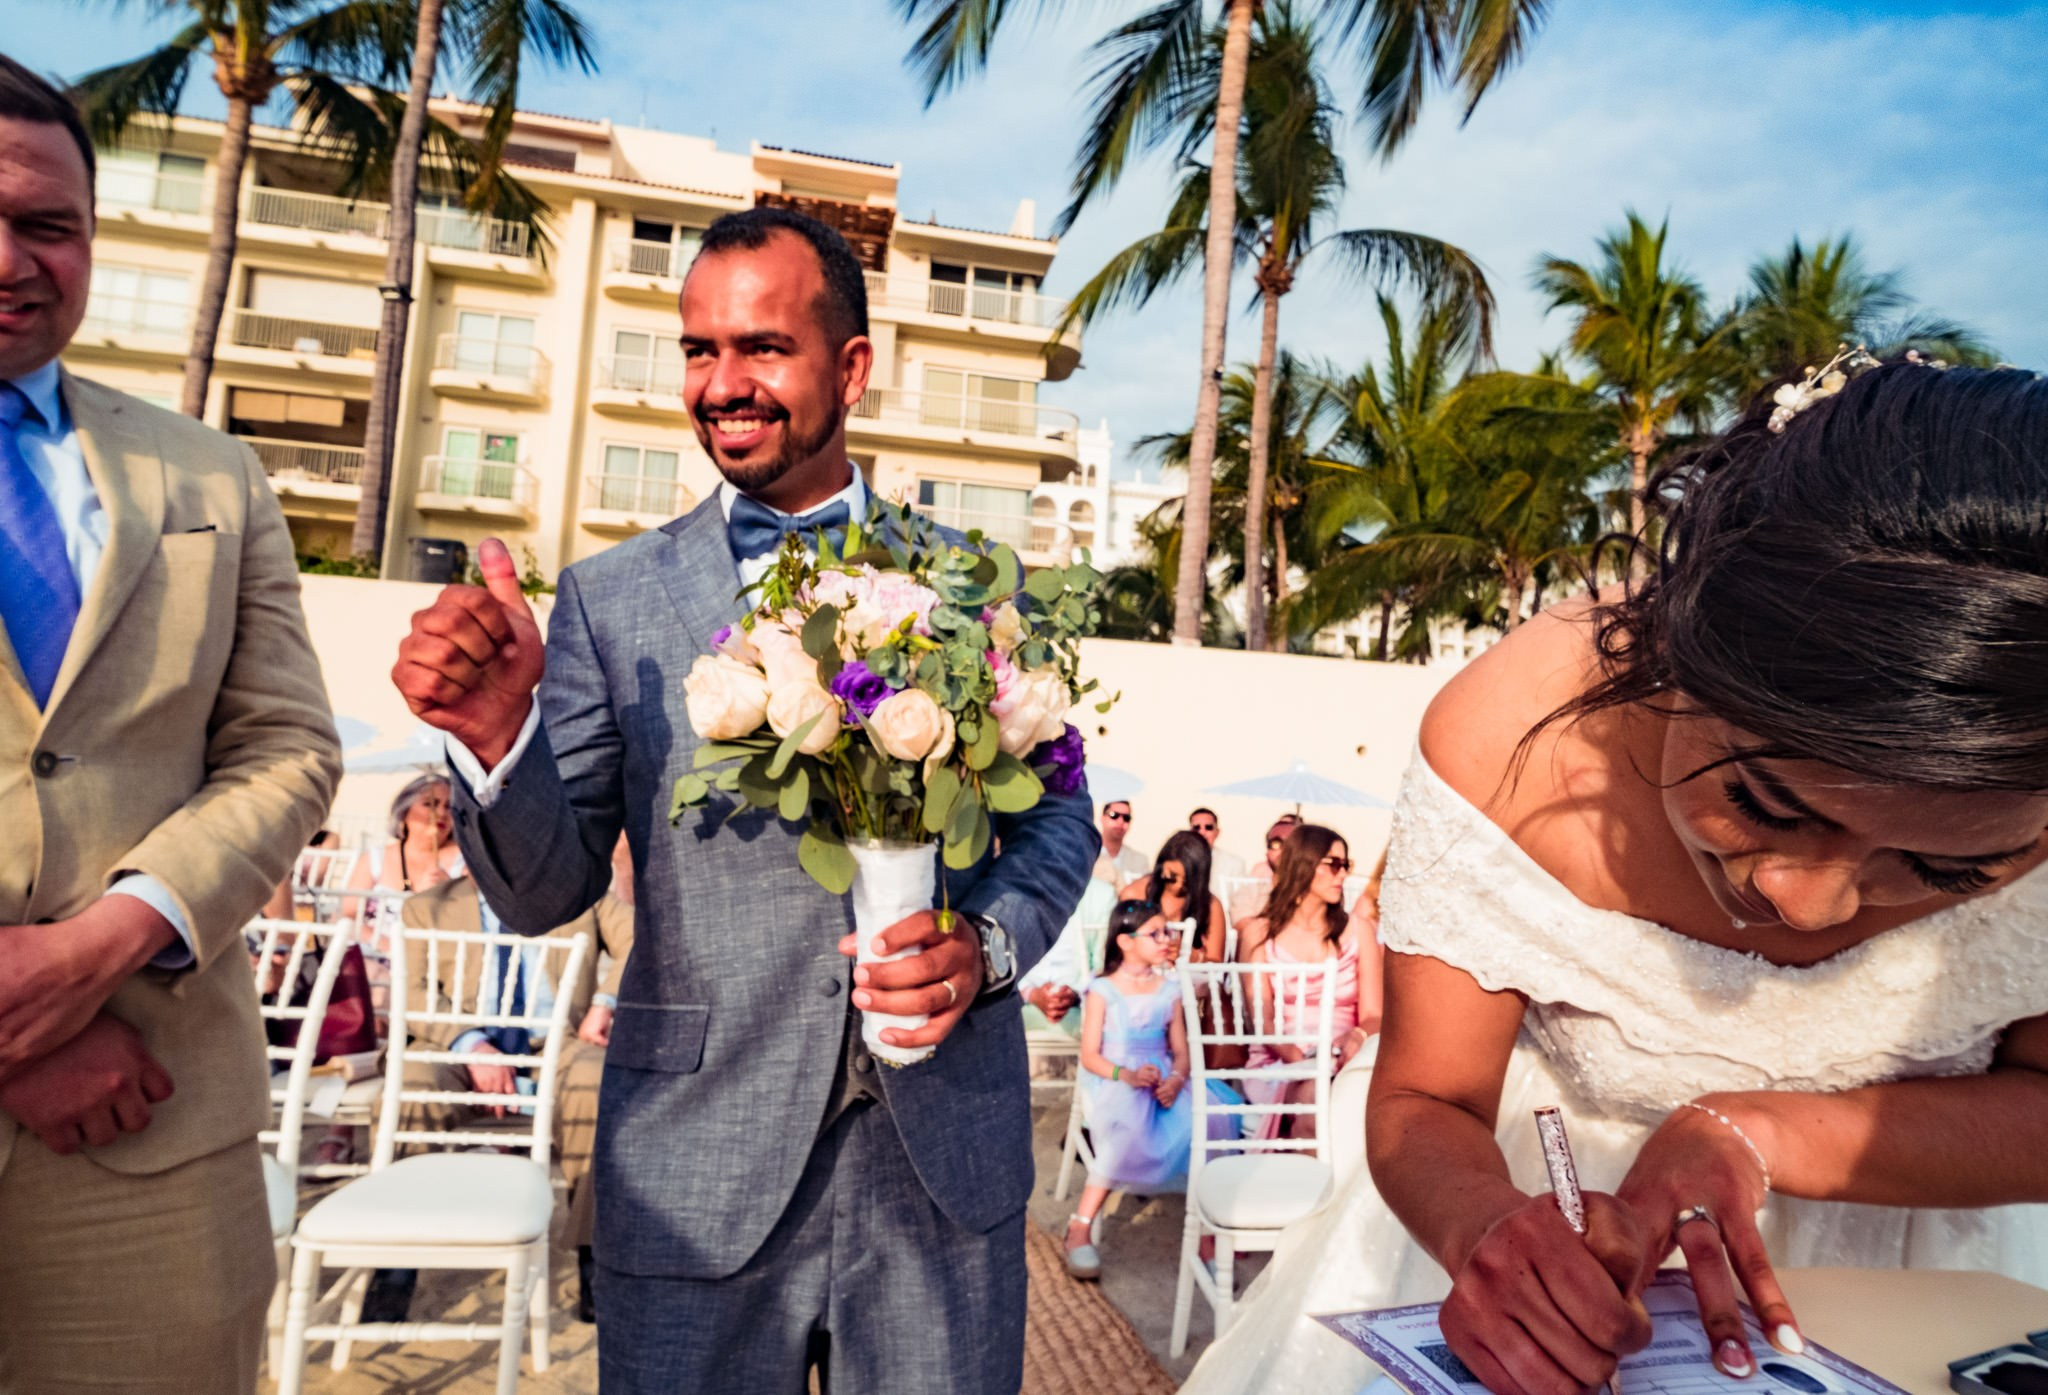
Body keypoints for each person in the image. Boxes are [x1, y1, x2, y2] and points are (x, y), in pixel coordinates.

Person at [1180, 360, 2048, 1395]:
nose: (1804, 902)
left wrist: (1753, 1129)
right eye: (1768, 804)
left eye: (1949, 864)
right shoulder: (1506, 740)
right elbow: (1423, 1095)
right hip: (1540, 1253)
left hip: (1929, 1289)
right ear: (1674, 643)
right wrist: (1481, 1225)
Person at [392, 205, 1097, 1394]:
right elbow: (542, 893)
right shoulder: (613, 602)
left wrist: (982, 949)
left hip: (943, 1170)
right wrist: (492, 737)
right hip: (694, 1166)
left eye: (762, 347)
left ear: (851, 367)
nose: (724, 383)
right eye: (699, 349)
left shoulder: (978, 584)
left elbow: (1057, 817)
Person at [0, 54, 340, 1395]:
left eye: (49, 224)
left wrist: (100, 942)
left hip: (154, 1133)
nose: (15, 257)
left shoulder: (210, 471)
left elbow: (287, 744)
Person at [368, 862, 633, 1324]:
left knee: (597, 1081)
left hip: (558, 1041)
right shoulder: (426, 908)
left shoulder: (578, 893)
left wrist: (603, 1004)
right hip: (455, 1044)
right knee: (410, 1084)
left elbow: (639, 937)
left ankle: (595, 1256)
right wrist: (471, 1045)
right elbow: (410, 992)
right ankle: (395, 1261)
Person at [1063, 898, 1237, 1279]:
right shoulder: (1103, 989)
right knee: (1128, 1125)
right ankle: (1080, 1225)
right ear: (1125, 941)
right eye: (1155, 933)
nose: (1165, 940)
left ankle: (1207, 1234)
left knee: (1210, 1123)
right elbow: (1090, 1055)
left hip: (1164, 1077)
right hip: (1115, 1076)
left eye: (1167, 932)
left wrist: (1176, 1079)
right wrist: (1125, 1075)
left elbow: (1181, 1050)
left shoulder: (1169, 988)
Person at [1233, 825, 1380, 1140]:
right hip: (1280, 1057)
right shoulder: (1259, 933)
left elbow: (1374, 1014)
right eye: (1334, 864)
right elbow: (1263, 1020)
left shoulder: (1360, 931)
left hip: (1347, 1056)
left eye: (1346, 865)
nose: (1343, 875)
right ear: (1304, 864)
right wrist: (1301, 1059)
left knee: (1330, 1098)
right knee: (1314, 1104)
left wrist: (1357, 1035)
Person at [338, 773, 464, 949]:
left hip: (436, 959)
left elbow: (476, 920)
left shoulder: (464, 862)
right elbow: (348, 916)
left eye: (449, 806)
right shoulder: (374, 859)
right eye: (430, 804)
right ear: (404, 811)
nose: (441, 813)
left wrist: (452, 890)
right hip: (375, 955)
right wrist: (391, 949)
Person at [1021, 876, 1117, 1042]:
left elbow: (1104, 966)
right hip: (1019, 1007)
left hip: (1080, 1009)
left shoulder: (1101, 894)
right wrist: (1030, 993)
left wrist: (1074, 993)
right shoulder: (1011, 889)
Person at [1123, 829, 1228, 963]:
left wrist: (1190, 956)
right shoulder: (1135, 894)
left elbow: (1216, 963)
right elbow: (1121, 948)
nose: (1178, 885)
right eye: (1171, 877)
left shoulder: (1210, 905)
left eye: (1187, 882)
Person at [1228, 815, 1302, 925]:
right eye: (1276, 844)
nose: (1283, 851)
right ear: (1267, 851)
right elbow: (1246, 932)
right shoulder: (1250, 893)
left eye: (1291, 844)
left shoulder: (1315, 892)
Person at [1093, 798, 1151, 887]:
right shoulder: (1088, 856)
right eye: (1114, 815)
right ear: (1102, 818)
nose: (1120, 821)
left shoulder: (1140, 861)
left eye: (1126, 818)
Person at [1190, 806, 1249, 885]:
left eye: (1208, 827)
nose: (1202, 832)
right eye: (1196, 828)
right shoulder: (1177, 861)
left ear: (1217, 832)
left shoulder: (1235, 864)